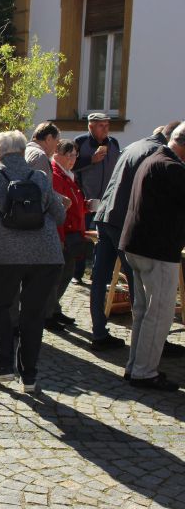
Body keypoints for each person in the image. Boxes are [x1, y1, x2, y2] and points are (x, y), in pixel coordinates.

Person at [0, 130, 65, 393]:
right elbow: (58, 215)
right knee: (33, 314)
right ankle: (30, 376)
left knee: (0, 307)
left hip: (5, 255)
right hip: (45, 255)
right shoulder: (40, 176)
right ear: (23, 152)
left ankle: (2, 366)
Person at [89, 121, 181, 351]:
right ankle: (150, 344)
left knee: (100, 278)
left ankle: (99, 332)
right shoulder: (158, 153)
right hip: (124, 220)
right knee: (138, 283)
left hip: (106, 214)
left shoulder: (136, 145)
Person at [119, 122, 185, 391]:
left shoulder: (154, 158)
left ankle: (136, 366)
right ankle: (144, 372)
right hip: (156, 250)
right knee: (158, 314)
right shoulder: (170, 167)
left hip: (138, 246)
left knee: (144, 312)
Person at [72, 112, 121, 282]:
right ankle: (76, 274)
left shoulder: (113, 143)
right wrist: (90, 160)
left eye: (107, 125)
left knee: (102, 238)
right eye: (102, 126)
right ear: (91, 126)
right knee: (81, 236)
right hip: (86, 199)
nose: (106, 129)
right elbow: (71, 165)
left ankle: (97, 274)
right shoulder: (80, 142)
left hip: (107, 200)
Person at [44, 139, 86, 330]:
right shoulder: (56, 175)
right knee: (57, 275)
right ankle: (47, 313)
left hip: (72, 232)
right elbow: (58, 208)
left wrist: (86, 207)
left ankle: (54, 308)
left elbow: (73, 203)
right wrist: (60, 238)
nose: (73, 159)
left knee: (67, 273)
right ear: (57, 154)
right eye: (69, 155)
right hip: (63, 233)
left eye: (75, 155)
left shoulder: (68, 175)